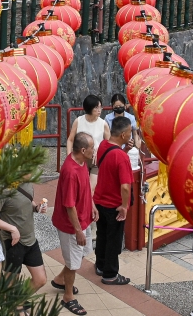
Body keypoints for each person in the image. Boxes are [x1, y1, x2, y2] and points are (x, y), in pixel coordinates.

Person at [50, 132, 98, 315]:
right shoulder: (70, 171)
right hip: (71, 225)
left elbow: (85, 186)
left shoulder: (81, 162)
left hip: (83, 218)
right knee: (73, 263)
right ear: (84, 150)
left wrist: (92, 205)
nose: (94, 150)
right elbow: (69, 205)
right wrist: (78, 231)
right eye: (92, 147)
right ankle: (68, 296)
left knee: (77, 257)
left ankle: (60, 279)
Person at [93, 116, 134, 285]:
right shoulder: (122, 158)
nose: (131, 136)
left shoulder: (104, 145)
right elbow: (125, 187)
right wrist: (124, 207)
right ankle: (110, 274)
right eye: (130, 132)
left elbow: (110, 162)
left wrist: (123, 150)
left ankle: (100, 265)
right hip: (114, 205)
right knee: (113, 240)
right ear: (123, 134)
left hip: (100, 200)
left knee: (102, 234)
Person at [0, 178, 48, 290]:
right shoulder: (3, 189)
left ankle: (18, 301)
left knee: (40, 280)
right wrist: (12, 229)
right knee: (10, 283)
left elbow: (27, 201)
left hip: (31, 240)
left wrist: (36, 208)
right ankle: (11, 305)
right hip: (12, 243)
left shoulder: (28, 182)